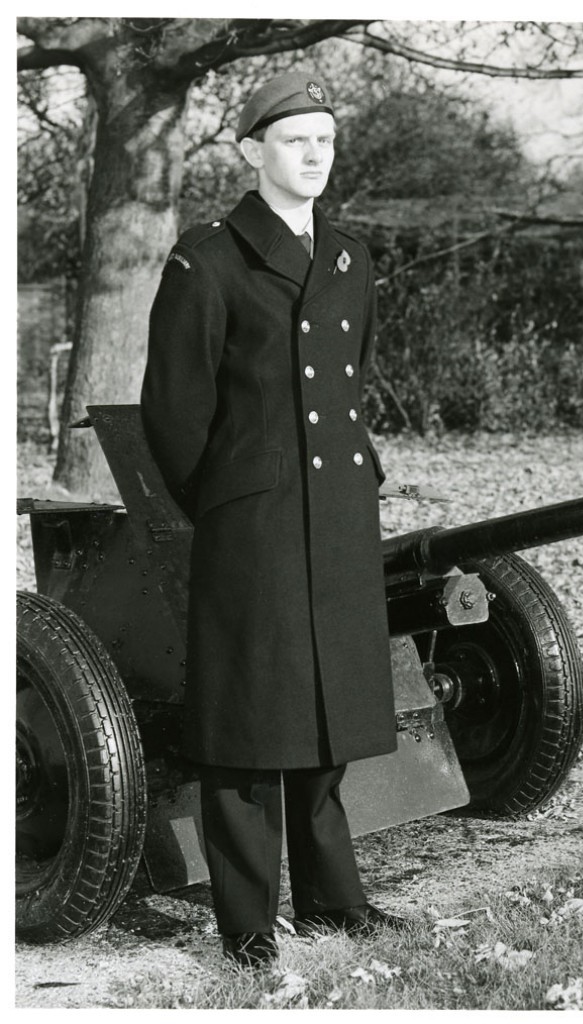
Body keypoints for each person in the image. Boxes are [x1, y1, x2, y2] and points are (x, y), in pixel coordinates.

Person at [140, 71, 404, 968]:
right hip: (251, 523)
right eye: (297, 140)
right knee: (250, 725)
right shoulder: (207, 258)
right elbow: (174, 414)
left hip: (333, 516)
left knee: (325, 714)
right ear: (253, 150)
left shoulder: (350, 256)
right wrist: (232, 497)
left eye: (326, 139)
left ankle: (334, 899)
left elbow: (352, 380)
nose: (316, 155)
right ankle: (248, 925)